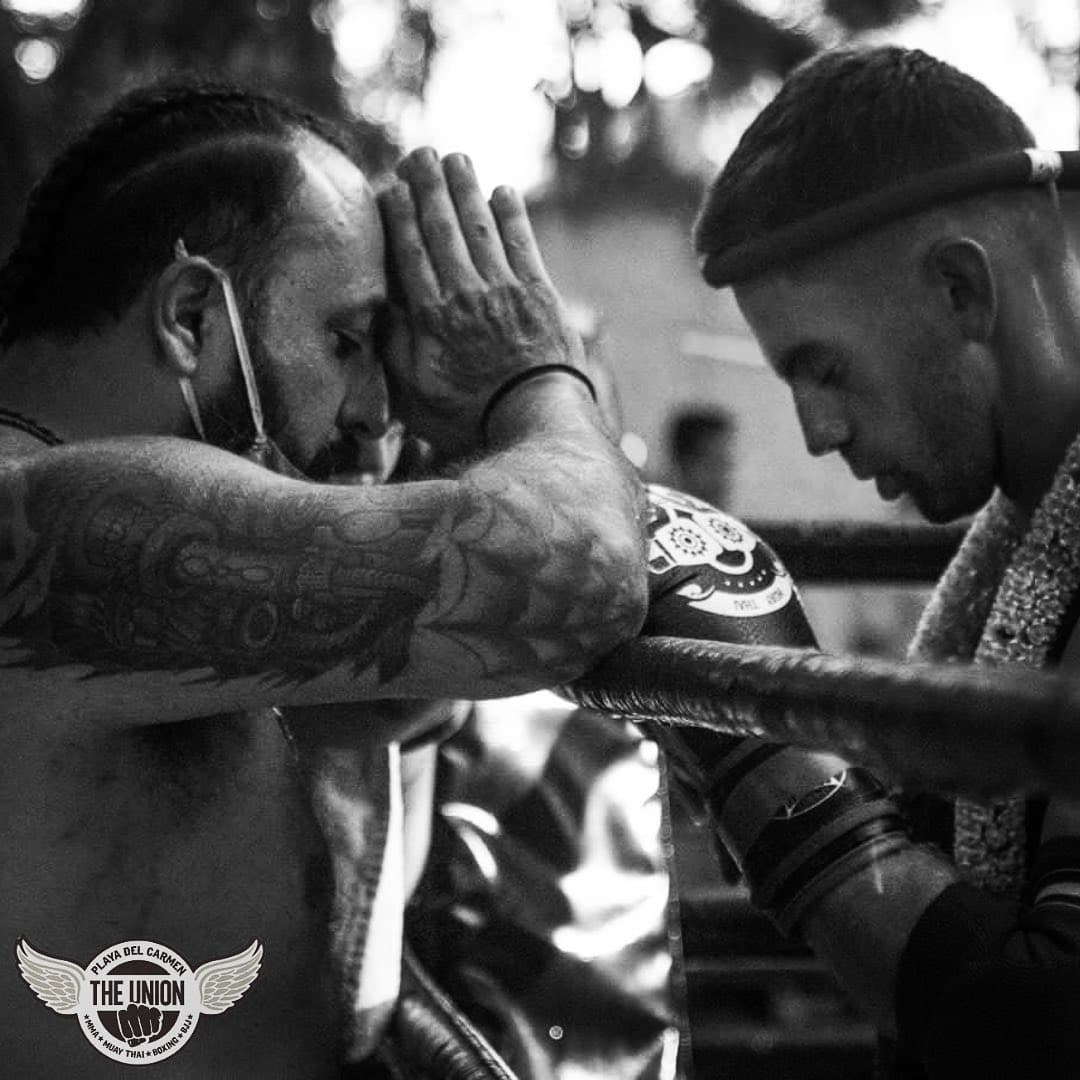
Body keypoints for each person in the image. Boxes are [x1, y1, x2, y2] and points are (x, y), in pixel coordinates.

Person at [0, 81, 648, 1078]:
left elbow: (398, 703)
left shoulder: (115, 559)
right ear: (188, 316)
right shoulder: (59, 522)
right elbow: (579, 571)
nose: (369, 410)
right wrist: (532, 375)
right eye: (347, 341)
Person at [671, 45, 1080, 1077]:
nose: (814, 431)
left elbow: (1044, 1023)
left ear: (957, 290)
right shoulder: (1022, 547)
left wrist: (756, 757)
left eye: (824, 366)